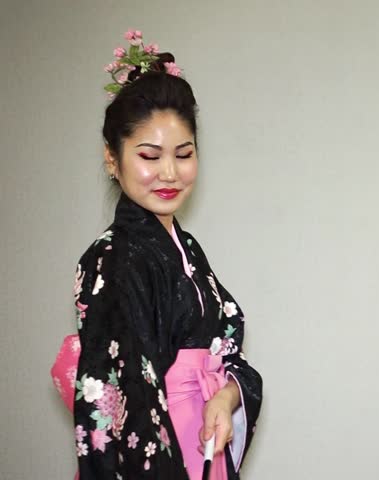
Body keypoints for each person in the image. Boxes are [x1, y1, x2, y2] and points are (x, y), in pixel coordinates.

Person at [50, 30, 262, 479]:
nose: (169, 173)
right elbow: (127, 402)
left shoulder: (187, 250)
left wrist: (226, 397)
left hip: (204, 446)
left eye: (184, 154)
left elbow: (226, 350)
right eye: (149, 155)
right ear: (113, 158)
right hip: (160, 459)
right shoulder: (113, 259)